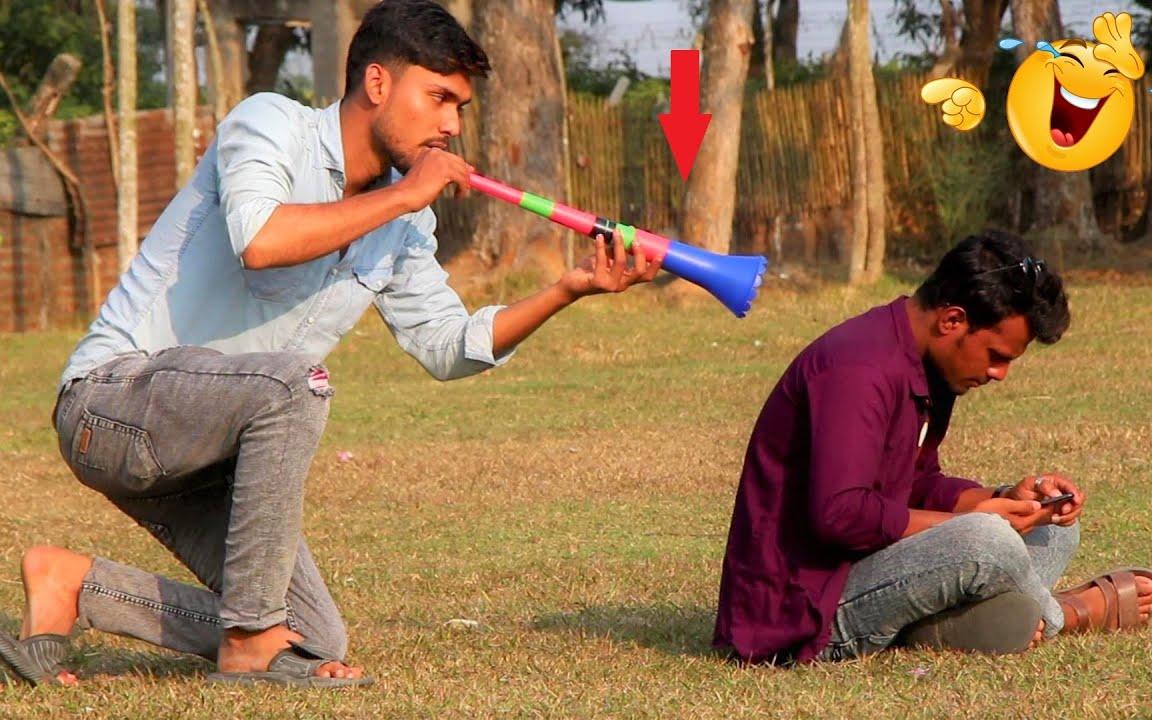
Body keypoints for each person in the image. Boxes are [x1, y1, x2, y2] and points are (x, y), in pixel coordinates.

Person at [0, 0, 660, 689]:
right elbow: (261, 240)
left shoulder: (405, 223)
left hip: (211, 454)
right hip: (109, 407)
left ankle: (72, 585)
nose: (452, 127)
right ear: (377, 83)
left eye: (460, 108)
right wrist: (405, 198)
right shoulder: (268, 123)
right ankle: (248, 643)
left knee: (315, 639)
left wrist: (569, 287)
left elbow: (448, 347)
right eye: (438, 98)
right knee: (296, 384)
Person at [713, 229, 1152, 665]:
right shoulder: (858, 369)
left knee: (1052, 526)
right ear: (952, 321)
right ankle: (1063, 614)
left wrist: (1005, 498)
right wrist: (974, 524)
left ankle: (943, 622)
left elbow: (918, 482)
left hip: (872, 563)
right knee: (987, 539)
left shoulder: (930, 364)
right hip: (806, 608)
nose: (1000, 374)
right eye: (996, 355)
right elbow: (840, 515)